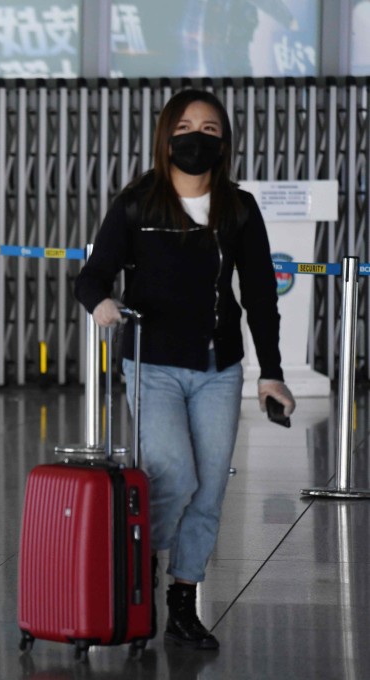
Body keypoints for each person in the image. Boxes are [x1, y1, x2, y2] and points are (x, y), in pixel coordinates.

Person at [74, 89, 296, 650]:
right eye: (188, 126)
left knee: (209, 489)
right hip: (152, 363)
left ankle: (181, 598)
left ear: (224, 144)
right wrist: (100, 302)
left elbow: (261, 295)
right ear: (166, 135)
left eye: (212, 130)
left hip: (219, 365)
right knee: (175, 473)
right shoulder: (138, 203)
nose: (199, 137)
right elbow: (92, 276)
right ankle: (140, 566)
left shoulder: (239, 208)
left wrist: (272, 372)